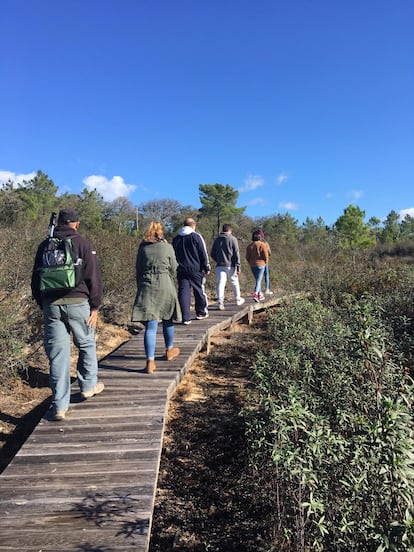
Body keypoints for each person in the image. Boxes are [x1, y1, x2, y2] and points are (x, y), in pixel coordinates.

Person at [31, 208, 104, 422]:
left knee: (58, 356)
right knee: (87, 343)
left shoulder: (45, 245)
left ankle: (59, 407)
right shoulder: (83, 244)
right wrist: (95, 306)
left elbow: (35, 279)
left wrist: (42, 303)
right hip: (78, 302)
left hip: (50, 305)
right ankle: (88, 385)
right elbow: (94, 277)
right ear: (76, 224)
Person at [131, 221, 181, 374]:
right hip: (165, 283)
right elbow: (174, 268)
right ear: (161, 233)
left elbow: (138, 270)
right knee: (168, 318)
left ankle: (150, 362)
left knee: (151, 326)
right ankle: (169, 350)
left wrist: (141, 284)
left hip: (147, 285)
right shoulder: (167, 247)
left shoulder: (143, 249)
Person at [172, 217, 211, 325]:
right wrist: (206, 267)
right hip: (195, 269)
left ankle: (186, 317)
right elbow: (203, 253)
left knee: (183, 292)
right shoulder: (196, 236)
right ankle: (201, 312)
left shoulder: (176, 239)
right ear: (193, 225)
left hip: (181, 269)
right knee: (199, 290)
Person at [210, 223, 245, 310]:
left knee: (221, 283)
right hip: (231, 265)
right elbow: (236, 253)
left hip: (220, 265)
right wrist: (238, 266)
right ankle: (237, 299)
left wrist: (218, 260)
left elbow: (212, 253)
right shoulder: (233, 239)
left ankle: (220, 302)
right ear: (230, 230)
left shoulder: (217, 240)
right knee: (234, 282)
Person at [246, 229, 269, 302]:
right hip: (261, 264)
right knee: (258, 281)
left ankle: (260, 295)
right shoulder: (263, 245)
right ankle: (256, 294)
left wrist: (250, 262)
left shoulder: (249, 246)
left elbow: (247, 257)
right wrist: (265, 262)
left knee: (257, 280)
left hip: (252, 265)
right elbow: (266, 255)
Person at [258, 228, 273, 294]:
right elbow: (269, 252)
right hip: (264, 261)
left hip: (257, 261)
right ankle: (267, 289)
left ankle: (259, 290)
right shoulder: (265, 243)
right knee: (266, 275)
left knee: (258, 276)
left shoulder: (254, 243)